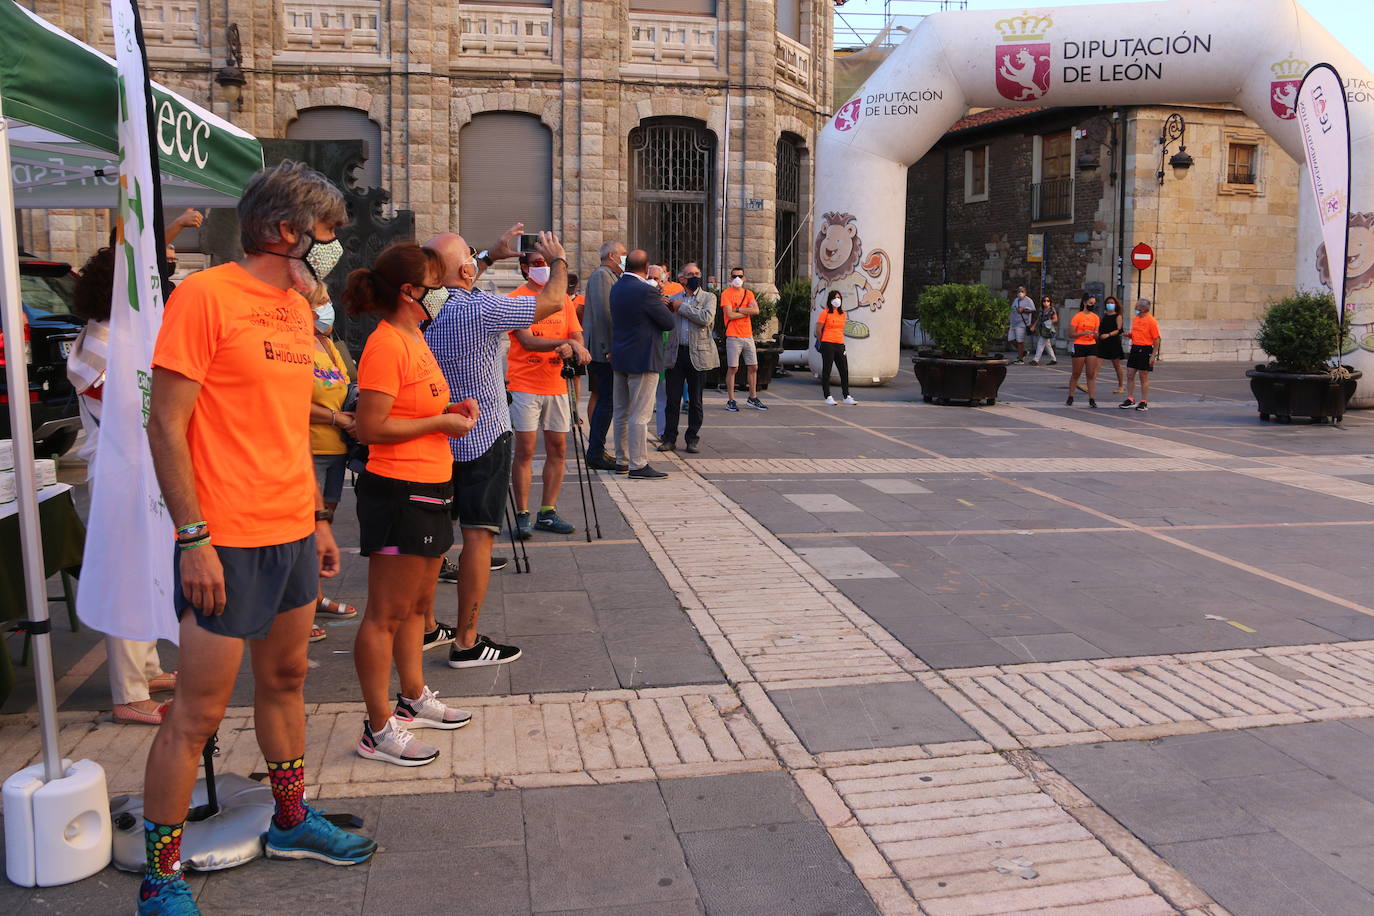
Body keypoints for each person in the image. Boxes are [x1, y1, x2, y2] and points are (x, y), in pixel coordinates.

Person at [140, 161, 374, 916]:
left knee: (286, 681)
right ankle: (161, 875)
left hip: (289, 531)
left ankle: (291, 818)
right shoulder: (206, 298)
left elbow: (287, 424)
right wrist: (193, 537)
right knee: (197, 714)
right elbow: (166, 424)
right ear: (286, 231)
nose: (334, 245)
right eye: (328, 233)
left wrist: (315, 517)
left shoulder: (296, 309)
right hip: (226, 538)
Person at [344, 242, 477, 766]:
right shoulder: (385, 344)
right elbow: (372, 426)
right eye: (434, 284)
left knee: (419, 607)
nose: (441, 292)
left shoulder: (413, 335)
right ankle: (378, 727)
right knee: (385, 614)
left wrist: (448, 408)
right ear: (408, 291)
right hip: (399, 490)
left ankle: (412, 697)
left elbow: (412, 404)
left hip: (429, 486)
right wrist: (440, 422)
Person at [424, 229, 568, 669]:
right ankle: (466, 640)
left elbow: (456, 275)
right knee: (478, 538)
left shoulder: (424, 308)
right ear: (466, 269)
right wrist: (559, 262)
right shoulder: (480, 307)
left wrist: (488, 254)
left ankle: (428, 625)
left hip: (435, 436)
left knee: (432, 541)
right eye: (470, 256)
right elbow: (550, 303)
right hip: (484, 434)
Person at [67, 247, 177, 726]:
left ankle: (145, 669)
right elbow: (131, 406)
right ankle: (128, 692)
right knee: (131, 577)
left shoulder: (120, 337)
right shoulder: (101, 343)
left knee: (147, 568)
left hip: (138, 469)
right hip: (122, 473)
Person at [506, 250, 590, 539]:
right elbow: (527, 341)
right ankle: (522, 514)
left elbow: (576, 333)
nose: (544, 269)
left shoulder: (562, 299)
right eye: (538, 264)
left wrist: (573, 345)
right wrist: (566, 342)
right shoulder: (517, 298)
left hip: (556, 383)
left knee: (559, 449)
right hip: (524, 384)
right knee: (526, 450)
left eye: (547, 263)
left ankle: (548, 512)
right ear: (524, 268)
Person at [306, 285, 357, 638]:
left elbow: (345, 385)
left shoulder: (328, 342)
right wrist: (337, 419)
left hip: (336, 450)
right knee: (305, 530)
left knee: (323, 526)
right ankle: (299, 608)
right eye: (320, 301)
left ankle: (316, 598)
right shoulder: (297, 346)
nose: (327, 306)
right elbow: (292, 401)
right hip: (311, 449)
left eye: (327, 299)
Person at [611, 249, 675, 478]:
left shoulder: (617, 287)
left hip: (621, 356)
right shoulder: (646, 291)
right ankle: (638, 464)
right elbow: (667, 322)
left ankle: (622, 460)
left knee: (621, 412)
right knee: (640, 414)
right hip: (644, 357)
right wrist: (659, 298)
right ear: (646, 268)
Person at [659, 262, 718, 452]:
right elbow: (665, 323)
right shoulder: (674, 298)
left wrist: (681, 307)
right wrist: (664, 308)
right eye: (689, 274)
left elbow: (705, 319)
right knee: (672, 399)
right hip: (677, 353)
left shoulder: (709, 297)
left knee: (695, 400)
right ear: (682, 278)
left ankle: (692, 438)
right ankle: (669, 438)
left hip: (698, 354)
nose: (694, 276)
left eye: (697, 273)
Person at [582, 240, 626, 469]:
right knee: (606, 400)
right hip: (602, 351)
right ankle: (595, 451)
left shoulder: (610, 275)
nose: (624, 257)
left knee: (606, 399)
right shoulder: (602, 276)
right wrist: (609, 348)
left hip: (604, 348)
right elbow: (603, 314)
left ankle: (598, 449)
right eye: (622, 254)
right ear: (612, 255)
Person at [721, 266, 767, 411]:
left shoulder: (749, 293)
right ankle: (731, 399)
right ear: (730, 278)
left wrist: (739, 309)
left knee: (753, 366)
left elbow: (756, 310)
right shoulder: (726, 293)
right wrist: (747, 312)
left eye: (740, 276)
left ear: (744, 278)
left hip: (748, 335)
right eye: (734, 276)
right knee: (733, 367)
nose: (737, 279)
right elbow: (730, 315)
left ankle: (752, 397)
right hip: (733, 335)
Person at [816, 290, 857, 405]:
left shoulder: (843, 313)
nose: (837, 299)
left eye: (839, 297)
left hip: (839, 344)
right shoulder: (825, 313)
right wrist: (822, 342)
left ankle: (846, 395)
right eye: (834, 297)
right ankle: (827, 396)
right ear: (830, 300)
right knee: (827, 370)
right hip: (827, 343)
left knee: (844, 370)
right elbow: (818, 329)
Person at [1121, 298, 1162, 411]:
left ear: (1144, 309)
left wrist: (1153, 355)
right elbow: (1136, 334)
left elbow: (1157, 339)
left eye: (1137, 307)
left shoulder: (1151, 321)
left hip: (1145, 349)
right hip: (1135, 348)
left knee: (1143, 376)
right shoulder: (1136, 319)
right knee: (1130, 374)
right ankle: (1130, 398)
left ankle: (1144, 401)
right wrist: (1129, 335)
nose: (1135, 308)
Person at [1066, 297, 1101, 407]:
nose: (1092, 305)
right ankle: (1071, 396)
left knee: (1091, 374)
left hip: (1091, 346)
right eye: (1090, 303)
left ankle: (1092, 398)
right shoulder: (1078, 316)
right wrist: (1083, 333)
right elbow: (1071, 334)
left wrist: (1095, 334)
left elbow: (1097, 334)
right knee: (1076, 373)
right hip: (1080, 345)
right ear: (1085, 303)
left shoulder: (1095, 317)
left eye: (1094, 303)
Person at [1098, 295, 1126, 393]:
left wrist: (1108, 335)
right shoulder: (1104, 316)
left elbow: (1119, 330)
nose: (1110, 304)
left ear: (1115, 304)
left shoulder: (1118, 316)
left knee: (1116, 365)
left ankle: (1121, 386)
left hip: (1113, 342)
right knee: (1096, 364)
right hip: (1103, 343)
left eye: (1112, 303)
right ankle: (1090, 384)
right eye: (1108, 303)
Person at [1029, 295, 1059, 366]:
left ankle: (1035, 360)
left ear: (1050, 302)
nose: (1046, 302)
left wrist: (1049, 321)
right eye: (1044, 301)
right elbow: (1038, 319)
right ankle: (1053, 359)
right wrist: (1033, 326)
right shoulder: (1042, 311)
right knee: (1048, 345)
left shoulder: (1052, 310)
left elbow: (1055, 319)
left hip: (1048, 330)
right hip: (1042, 329)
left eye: (1048, 301)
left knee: (1040, 343)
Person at [1008, 286, 1035, 364]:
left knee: (1020, 341)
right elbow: (1012, 309)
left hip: (1022, 324)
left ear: (1025, 292)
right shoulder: (1016, 300)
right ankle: (1023, 352)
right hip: (1013, 323)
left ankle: (1020, 359)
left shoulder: (1029, 300)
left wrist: (1023, 310)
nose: (1020, 293)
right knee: (1011, 339)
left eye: (1022, 291)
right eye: (1019, 291)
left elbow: (1033, 310)